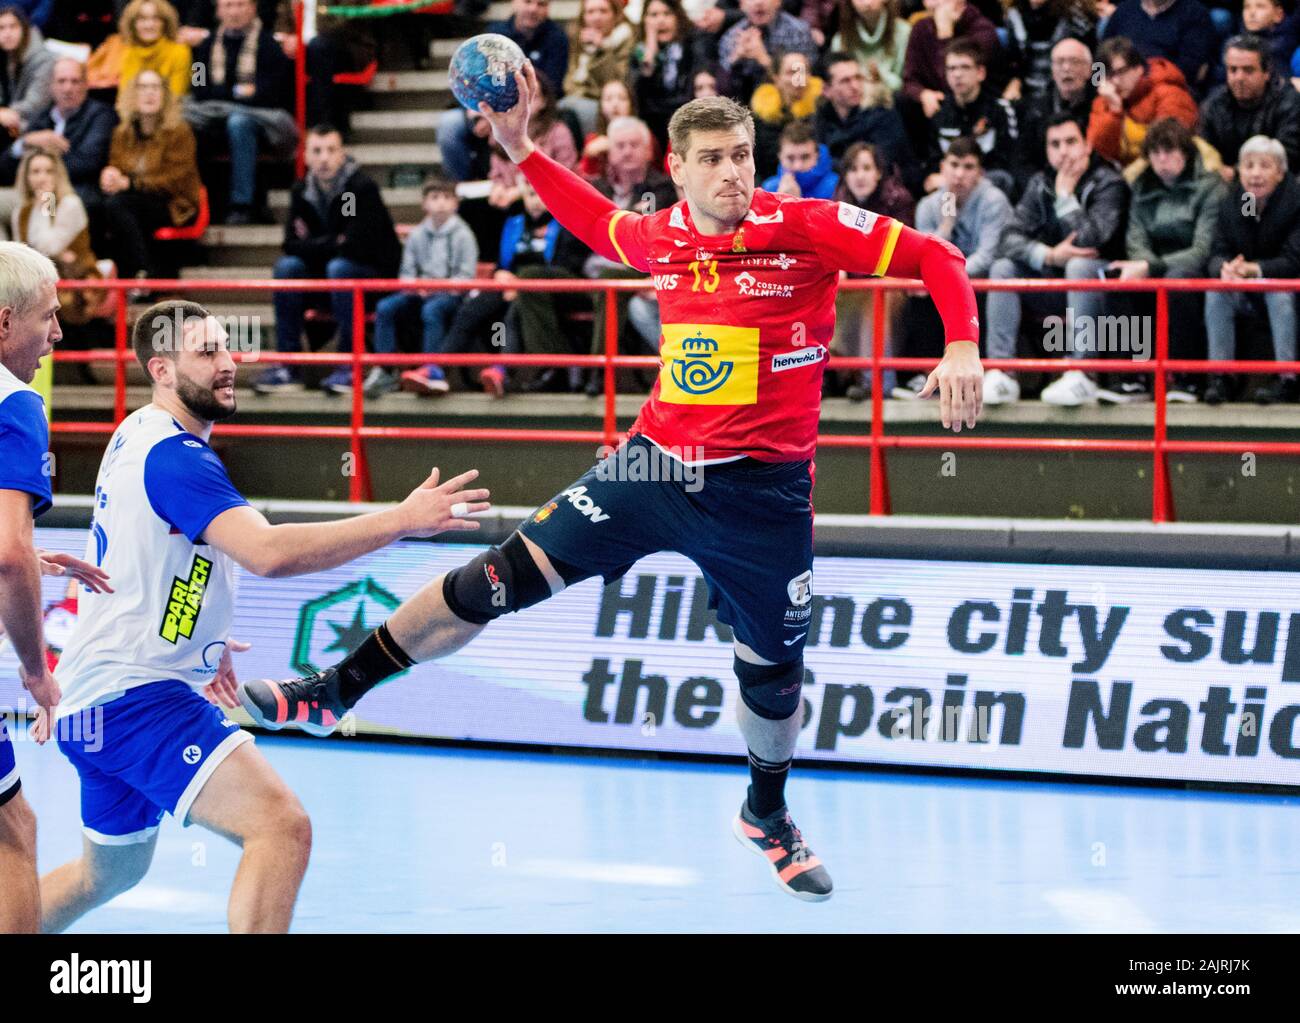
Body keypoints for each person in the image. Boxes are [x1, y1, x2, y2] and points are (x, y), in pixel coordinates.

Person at [239, 71, 983, 904]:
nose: (735, 172)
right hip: (650, 467)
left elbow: (936, 256)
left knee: (772, 678)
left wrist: (961, 344)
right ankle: (327, 692)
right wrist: (520, 148)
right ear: (678, 167)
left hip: (763, 495)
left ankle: (765, 811)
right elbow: (588, 214)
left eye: (743, 155)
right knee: (489, 582)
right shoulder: (662, 237)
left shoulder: (804, 228)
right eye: (715, 159)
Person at [39, 299, 490, 933]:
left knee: (108, 873)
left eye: (227, 348)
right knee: (282, 828)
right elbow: (268, 554)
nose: (228, 364)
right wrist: (402, 520)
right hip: (134, 699)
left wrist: (202, 634)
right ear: (161, 369)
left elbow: (159, 554)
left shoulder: (137, 433)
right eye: (207, 353)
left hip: (94, 700)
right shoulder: (177, 458)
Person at [0, 241, 109, 933]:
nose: (59, 333)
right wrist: (38, 672)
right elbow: (9, 555)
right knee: (14, 832)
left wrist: (37, 555)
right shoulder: (16, 404)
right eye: (49, 315)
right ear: (4, 322)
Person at [984, 111, 1127, 405]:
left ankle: (1082, 373)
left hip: (1106, 291)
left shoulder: (1109, 182)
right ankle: (1002, 373)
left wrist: (1065, 199)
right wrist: (1048, 255)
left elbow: (1094, 239)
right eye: (1055, 144)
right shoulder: (1040, 184)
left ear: (1087, 145)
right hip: (1057, 283)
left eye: (1071, 142)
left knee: (1079, 265)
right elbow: (1007, 238)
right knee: (1003, 268)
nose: (1063, 152)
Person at [256, 124, 401, 396]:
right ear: (306, 156)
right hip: (328, 277)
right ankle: (289, 364)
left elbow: (357, 247)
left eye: (331, 150)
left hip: (373, 280)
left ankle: (349, 365)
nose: (324, 158)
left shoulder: (361, 187)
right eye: (317, 151)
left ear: (342, 154)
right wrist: (334, 241)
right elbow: (290, 244)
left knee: (340, 268)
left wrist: (314, 244)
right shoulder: (301, 190)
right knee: (287, 267)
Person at [1107, 117, 1224, 403]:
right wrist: (1143, 267)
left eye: (1170, 151)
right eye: (1156, 153)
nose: (1162, 159)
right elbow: (1136, 240)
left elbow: (1202, 250)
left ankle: (1185, 378)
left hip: (1193, 272)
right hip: (1154, 269)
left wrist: (1152, 267)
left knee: (1177, 282)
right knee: (1121, 281)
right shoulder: (1140, 188)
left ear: (1186, 152)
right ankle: (1133, 376)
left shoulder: (1211, 187)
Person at [1202, 135, 1300, 404]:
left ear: (1280, 173)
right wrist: (1225, 268)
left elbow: (1294, 261)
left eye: (1264, 166)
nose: (1255, 174)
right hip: (1245, 289)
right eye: (1249, 165)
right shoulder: (1234, 203)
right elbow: (1217, 250)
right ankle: (1221, 378)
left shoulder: (1295, 203)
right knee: (1216, 291)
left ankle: (1287, 378)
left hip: (1285, 290)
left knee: (1278, 293)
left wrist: (1254, 270)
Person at [184, 0, 297, 224]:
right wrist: (238, 92)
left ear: (253, 8)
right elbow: (199, 89)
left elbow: (270, 93)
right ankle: (195, 203)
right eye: (228, 5)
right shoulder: (205, 47)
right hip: (213, 120)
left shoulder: (269, 45)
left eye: (240, 5)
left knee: (239, 123)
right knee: (187, 126)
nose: (234, 12)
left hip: (259, 125)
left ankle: (241, 205)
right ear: (218, 10)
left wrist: (223, 94)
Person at [368, 176, 480, 398]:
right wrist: (416, 287)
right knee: (385, 307)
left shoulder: (464, 235)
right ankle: (385, 368)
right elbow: (406, 273)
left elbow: (466, 277)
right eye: (434, 197)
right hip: (420, 293)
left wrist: (439, 287)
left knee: (432, 310)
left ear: (455, 203)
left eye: (446, 197)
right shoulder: (417, 235)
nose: (440, 203)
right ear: (424, 204)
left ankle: (431, 369)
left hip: (451, 295)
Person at [100, 69, 202, 281]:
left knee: (119, 206)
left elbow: (176, 179)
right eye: (143, 87)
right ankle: (129, 275)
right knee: (105, 205)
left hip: (174, 202)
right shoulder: (122, 132)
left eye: (155, 88)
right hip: (135, 200)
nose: (149, 93)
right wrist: (110, 176)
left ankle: (143, 272)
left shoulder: (179, 131)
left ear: (164, 95)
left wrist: (131, 184)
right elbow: (117, 166)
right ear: (132, 95)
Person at [1087, 36, 1197, 168]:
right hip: (1121, 179)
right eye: (1109, 75)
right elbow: (1099, 153)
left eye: (1121, 72)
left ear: (1139, 69)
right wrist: (1114, 111)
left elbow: (1170, 148)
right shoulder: (1106, 100)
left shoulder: (1168, 93)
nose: (1115, 81)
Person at [1200, 33, 1300, 177]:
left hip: (1277, 184)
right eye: (1233, 70)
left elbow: (1287, 156)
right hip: (1225, 185)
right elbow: (1204, 151)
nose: (1239, 78)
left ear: (1267, 73)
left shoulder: (1289, 103)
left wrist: (1236, 172)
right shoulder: (1213, 105)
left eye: (1248, 70)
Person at [1099, 0, 1216, 95]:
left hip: (1166, 91)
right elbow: (1100, 57)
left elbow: (1189, 69)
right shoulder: (1124, 10)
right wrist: (1098, 84)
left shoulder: (1194, 13)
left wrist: (1138, 82)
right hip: (1117, 89)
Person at [829, 0, 912, 94]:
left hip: (894, 100)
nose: (867, 3)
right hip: (854, 101)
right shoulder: (841, 40)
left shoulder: (904, 33)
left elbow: (907, 83)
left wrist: (881, 77)